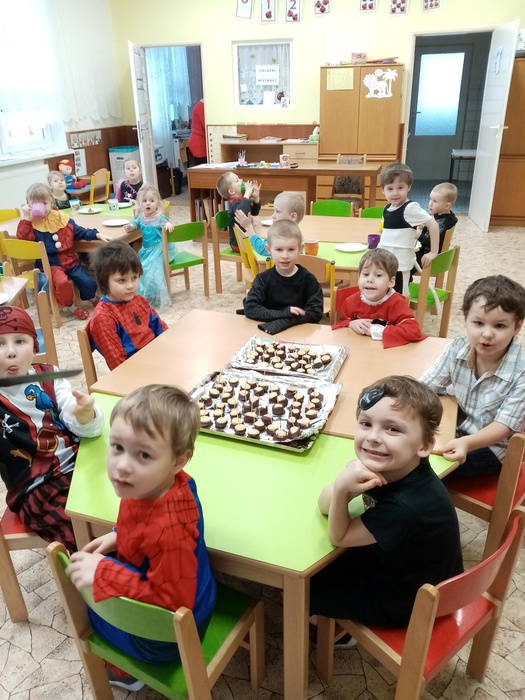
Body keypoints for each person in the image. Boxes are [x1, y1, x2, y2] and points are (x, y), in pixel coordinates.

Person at [66, 384, 217, 691]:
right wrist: (118, 535)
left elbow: (171, 601)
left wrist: (104, 572)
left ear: (178, 461)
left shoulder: (169, 530)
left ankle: (127, 672)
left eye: (143, 454)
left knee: (89, 606)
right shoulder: (155, 484)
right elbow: (142, 523)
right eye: (117, 446)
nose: (122, 465)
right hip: (188, 595)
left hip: (164, 641)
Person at [310, 375, 463, 629]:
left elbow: (339, 536)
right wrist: (343, 484)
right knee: (329, 565)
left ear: (424, 445)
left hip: (407, 602)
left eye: (392, 429)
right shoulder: (398, 467)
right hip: (406, 571)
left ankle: (342, 632)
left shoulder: (405, 505)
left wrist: (343, 489)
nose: (373, 437)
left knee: (308, 588)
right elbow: (324, 505)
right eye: (365, 423)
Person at [0, 306, 104, 552]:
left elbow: (84, 425)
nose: (11, 352)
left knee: (127, 491)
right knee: (82, 533)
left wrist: (84, 415)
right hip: (36, 486)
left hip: (79, 459)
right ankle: (101, 565)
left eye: (20, 341)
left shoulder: (49, 376)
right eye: (0, 344)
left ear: (34, 347)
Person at [420, 275, 525, 476]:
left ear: (517, 327)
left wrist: (467, 443)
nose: (487, 334)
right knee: (403, 449)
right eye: (478, 323)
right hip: (458, 429)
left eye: (499, 326)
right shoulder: (457, 348)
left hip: (492, 448)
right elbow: (424, 387)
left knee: (421, 470)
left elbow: (503, 427)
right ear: (466, 319)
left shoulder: (521, 371)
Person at [17, 183, 108, 320]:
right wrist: (25, 216)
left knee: (87, 281)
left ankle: (90, 296)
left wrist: (97, 234)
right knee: (62, 283)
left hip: (70, 260)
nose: (41, 207)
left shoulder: (61, 218)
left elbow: (80, 231)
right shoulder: (31, 223)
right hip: (49, 264)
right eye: (35, 204)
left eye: (44, 203)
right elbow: (23, 240)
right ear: (28, 205)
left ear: (52, 202)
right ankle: (70, 305)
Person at [87, 241, 168, 370]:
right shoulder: (103, 317)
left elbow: (161, 329)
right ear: (104, 280)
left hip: (157, 360)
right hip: (136, 371)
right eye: (122, 280)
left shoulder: (139, 300)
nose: (130, 286)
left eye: (134, 278)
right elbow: (118, 364)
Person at [332, 249, 426, 348]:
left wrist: (377, 331)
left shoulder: (397, 303)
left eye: (378, 275)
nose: (370, 279)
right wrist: (351, 324)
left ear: (391, 282)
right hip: (358, 349)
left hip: (386, 353)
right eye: (365, 274)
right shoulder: (350, 301)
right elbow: (341, 324)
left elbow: (413, 331)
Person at [243, 220, 324, 334]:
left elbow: (315, 313)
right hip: (266, 333)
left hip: (299, 334)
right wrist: (284, 313)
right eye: (279, 250)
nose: (285, 256)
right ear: (268, 249)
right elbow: (251, 308)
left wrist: (284, 322)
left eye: (291, 249)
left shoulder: (308, 280)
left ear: (300, 249)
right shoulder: (262, 279)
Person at [377, 163, 439, 295]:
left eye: (400, 188)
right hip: (385, 264)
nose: (395, 193)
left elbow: (433, 224)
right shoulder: (387, 208)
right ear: (383, 190)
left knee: (400, 297)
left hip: (401, 265)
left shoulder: (410, 208)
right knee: (385, 296)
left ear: (408, 187)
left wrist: (433, 252)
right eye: (390, 188)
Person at [123, 185, 174, 311]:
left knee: (153, 270)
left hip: (158, 249)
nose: (148, 203)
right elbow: (136, 223)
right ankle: (145, 295)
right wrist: (131, 226)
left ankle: (159, 296)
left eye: (152, 200)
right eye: (144, 201)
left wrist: (168, 224)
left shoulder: (160, 218)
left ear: (157, 203)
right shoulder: (141, 216)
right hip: (146, 250)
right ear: (140, 204)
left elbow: (167, 223)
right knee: (140, 269)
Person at [234, 190, 306, 256]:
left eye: (278, 211)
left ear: (293, 216)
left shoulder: (284, 235)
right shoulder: (293, 232)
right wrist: (252, 228)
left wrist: (248, 227)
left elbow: (262, 249)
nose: (273, 216)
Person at [415, 182, 458, 268]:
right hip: (428, 254)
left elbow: (432, 243)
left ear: (446, 206)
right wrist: (424, 228)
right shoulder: (446, 217)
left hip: (429, 259)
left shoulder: (443, 224)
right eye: (430, 199)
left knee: (402, 263)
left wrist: (419, 235)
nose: (430, 203)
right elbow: (435, 234)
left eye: (435, 201)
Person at [216, 172, 261, 252]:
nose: (241, 180)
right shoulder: (233, 203)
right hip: (238, 243)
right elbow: (241, 213)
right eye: (237, 181)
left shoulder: (242, 201)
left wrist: (256, 198)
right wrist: (247, 194)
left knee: (266, 244)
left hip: (247, 239)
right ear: (231, 191)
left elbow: (254, 212)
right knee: (265, 247)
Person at [187, 99, 207, 166]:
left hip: (199, 142)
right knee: (202, 169)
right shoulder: (201, 106)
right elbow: (206, 126)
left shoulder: (201, 105)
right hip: (199, 143)